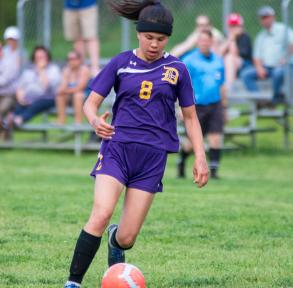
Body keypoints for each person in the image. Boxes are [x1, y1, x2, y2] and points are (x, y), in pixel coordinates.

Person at [63, 1, 209, 287]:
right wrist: (95, 121)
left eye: (161, 39)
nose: (154, 44)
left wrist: (200, 157)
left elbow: (191, 118)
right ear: (138, 34)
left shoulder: (177, 69)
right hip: (117, 149)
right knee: (101, 213)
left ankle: (115, 240)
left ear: (168, 38)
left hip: (153, 158)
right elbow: (90, 103)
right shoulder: (120, 63)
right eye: (149, 37)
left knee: (127, 238)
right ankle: (73, 281)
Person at [179, 29, 226, 179]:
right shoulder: (189, 60)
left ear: (211, 42)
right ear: (198, 42)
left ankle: (214, 172)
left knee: (216, 138)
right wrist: (180, 107)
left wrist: (225, 107)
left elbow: (222, 85)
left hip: (215, 103)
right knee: (190, 143)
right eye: (201, 40)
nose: (204, 43)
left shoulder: (218, 60)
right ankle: (182, 162)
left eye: (207, 40)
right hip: (196, 106)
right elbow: (180, 86)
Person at [253, 5, 293, 104]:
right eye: (262, 18)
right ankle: (260, 101)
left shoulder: (283, 29)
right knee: (246, 74)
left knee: (277, 72)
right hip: (268, 68)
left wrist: (285, 58)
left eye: (267, 17)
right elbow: (256, 56)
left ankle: (275, 100)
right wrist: (259, 68)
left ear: (273, 17)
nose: (265, 20)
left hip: (286, 66)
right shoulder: (260, 36)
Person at [12, 46, 61, 127]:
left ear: (47, 57)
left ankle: (19, 119)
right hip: (29, 98)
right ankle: (10, 120)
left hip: (48, 98)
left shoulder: (53, 69)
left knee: (36, 104)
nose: (40, 59)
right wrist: (20, 99)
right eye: (37, 57)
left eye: (42, 57)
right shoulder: (28, 70)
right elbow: (20, 87)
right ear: (34, 58)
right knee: (19, 105)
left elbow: (47, 87)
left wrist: (41, 70)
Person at [0, 27, 22, 141]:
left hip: (10, 92)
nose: (11, 42)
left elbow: (5, 79)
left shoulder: (18, 55)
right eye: (9, 39)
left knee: (4, 108)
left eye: (13, 39)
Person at [219, 13, 258, 92]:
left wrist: (232, 39)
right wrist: (229, 39)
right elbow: (218, 54)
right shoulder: (227, 37)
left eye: (235, 26)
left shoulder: (245, 37)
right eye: (231, 26)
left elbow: (234, 54)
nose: (233, 28)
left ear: (241, 26)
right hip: (230, 67)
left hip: (246, 66)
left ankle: (229, 87)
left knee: (229, 58)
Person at [64, 0, 100, 73]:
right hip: (70, 6)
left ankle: (95, 68)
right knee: (77, 38)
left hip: (88, 5)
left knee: (91, 37)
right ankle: (81, 67)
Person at [55, 50, 91, 124]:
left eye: (73, 59)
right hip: (71, 95)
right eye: (69, 59)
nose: (71, 61)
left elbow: (80, 88)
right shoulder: (66, 70)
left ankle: (78, 121)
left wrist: (64, 90)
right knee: (60, 96)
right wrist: (61, 90)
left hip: (85, 96)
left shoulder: (84, 70)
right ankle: (61, 119)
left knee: (78, 95)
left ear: (79, 60)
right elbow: (63, 86)